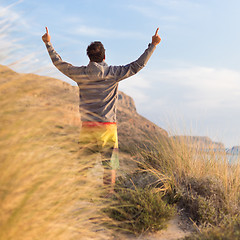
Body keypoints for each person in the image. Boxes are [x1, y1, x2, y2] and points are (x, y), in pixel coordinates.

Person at [42, 27, 161, 194]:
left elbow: (58, 63)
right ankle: (108, 196)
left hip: (88, 127)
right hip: (107, 127)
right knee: (109, 166)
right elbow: (138, 65)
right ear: (104, 56)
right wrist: (153, 45)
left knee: (84, 166)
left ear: (89, 57)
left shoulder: (80, 73)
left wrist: (48, 43)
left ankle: (79, 195)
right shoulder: (113, 73)